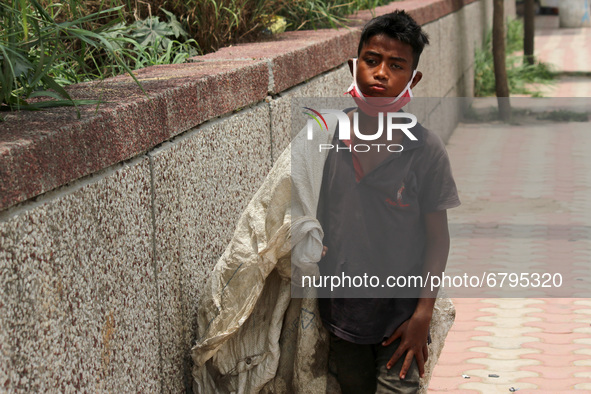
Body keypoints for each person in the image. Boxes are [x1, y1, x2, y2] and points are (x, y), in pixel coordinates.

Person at [315, 10, 461, 393]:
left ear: (413, 79)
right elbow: (307, 213)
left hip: (401, 319)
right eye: (372, 60)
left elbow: (438, 238)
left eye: (396, 65)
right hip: (342, 316)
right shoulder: (327, 139)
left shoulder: (425, 150)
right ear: (353, 65)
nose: (381, 73)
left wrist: (423, 314)